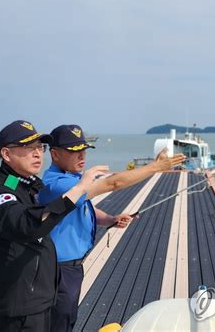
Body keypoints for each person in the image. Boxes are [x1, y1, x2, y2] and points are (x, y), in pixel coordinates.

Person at [38, 124, 185, 331]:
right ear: (54, 154)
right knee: (59, 323)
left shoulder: (72, 179)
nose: (82, 155)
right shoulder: (57, 184)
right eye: (74, 151)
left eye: (83, 150)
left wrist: (111, 219)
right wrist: (155, 167)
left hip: (71, 268)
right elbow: (112, 184)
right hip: (59, 270)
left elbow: (81, 207)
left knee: (67, 319)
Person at [0, 120, 109, 332]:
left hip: (41, 296)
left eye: (40, 147)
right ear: (6, 154)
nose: (38, 153)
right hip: (21, 305)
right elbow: (26, 224)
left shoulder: (20, 181)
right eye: (29, 148)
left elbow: (20, 188)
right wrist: (80, 188)